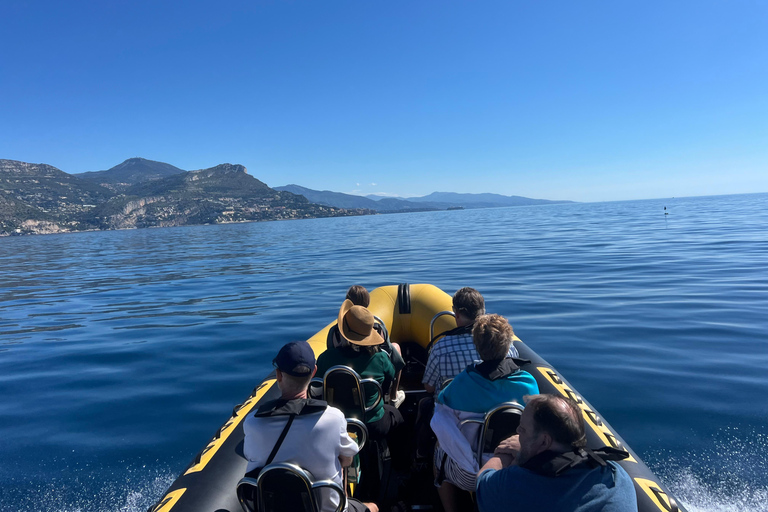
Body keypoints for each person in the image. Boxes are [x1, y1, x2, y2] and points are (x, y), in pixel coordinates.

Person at [243, 340, 378, 512]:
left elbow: (252, 458)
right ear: (314, 372)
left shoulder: (253, 423)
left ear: (278, 375)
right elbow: (348, 457)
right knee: (373, 507)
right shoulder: (333, 418)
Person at [431, 314, 539, 512]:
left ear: (477, 347)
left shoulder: (460, 384)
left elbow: (441, 412)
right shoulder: (529, 384)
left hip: (468, 474)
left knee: (438, 453)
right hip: (513, 468)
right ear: (508, 347)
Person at [476, 394, 638, 512]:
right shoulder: (616, 476)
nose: (518, 431)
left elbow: (482, 481)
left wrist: (504, 453)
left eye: (523, 430)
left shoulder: (512, 486)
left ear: (544, 442)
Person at [316, 299, 404, 440]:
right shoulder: (380, 358)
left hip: (335, 423)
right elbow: (390, 379)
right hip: (373, 423)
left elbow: (317, 386)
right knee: (398, 419)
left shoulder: (326, 358)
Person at [422, 287, 519, 394]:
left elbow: (429, 387)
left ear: (456, 314)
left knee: (424, 403)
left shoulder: (441, 348)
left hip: (454, 406)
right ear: (483, 312)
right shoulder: (507, 345)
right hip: (497, 404)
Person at [327, 285, 406, 407]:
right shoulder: (378, 328)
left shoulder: (334, 332)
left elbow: (331, 352)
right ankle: (393, 396)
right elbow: (388, 354)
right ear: (367, 303)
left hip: (342, 377)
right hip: (372, 380)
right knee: (396, 350)